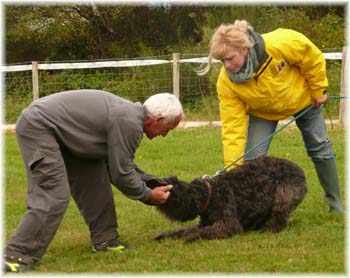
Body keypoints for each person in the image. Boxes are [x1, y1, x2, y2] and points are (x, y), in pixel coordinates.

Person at [3, 89, 184, 273]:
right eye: (167, 129)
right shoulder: (130, 122)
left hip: (68, 137)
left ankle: (105, 240)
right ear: (158, 119)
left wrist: (151, 182)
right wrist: (148, 195)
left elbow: (119, 165)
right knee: (54, 195)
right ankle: (15, 256)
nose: (165, 135)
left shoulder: (129, 116)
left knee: (95, 180)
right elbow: (122, 174)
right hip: (39, 127)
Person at [196, 20, 343, 214]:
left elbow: (311, 57)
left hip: (304, 99)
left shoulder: (280, 42)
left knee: (319, 146)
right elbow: (233, 128)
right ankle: (250, 211)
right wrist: (233, 169)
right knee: (251, 162)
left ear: (244, 49)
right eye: (222, 61)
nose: (227, 65)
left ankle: (336, 205)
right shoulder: (226, 83)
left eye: (230, 58)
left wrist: (318, 90)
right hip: (263, 112)